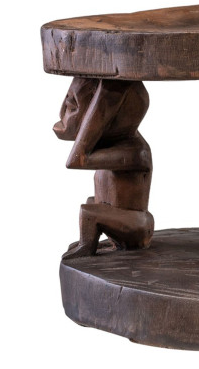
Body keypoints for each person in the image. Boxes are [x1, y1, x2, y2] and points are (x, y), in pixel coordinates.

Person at [54, 78, 154, 258]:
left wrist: (108, 95)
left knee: (89, 212)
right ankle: (93, 240)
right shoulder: (111, 145)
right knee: (92, 202)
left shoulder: (135, 152)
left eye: (72, 108)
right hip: (121, 219)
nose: (63, 115)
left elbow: (77, 160)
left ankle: (86, 246)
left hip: (136, 226)